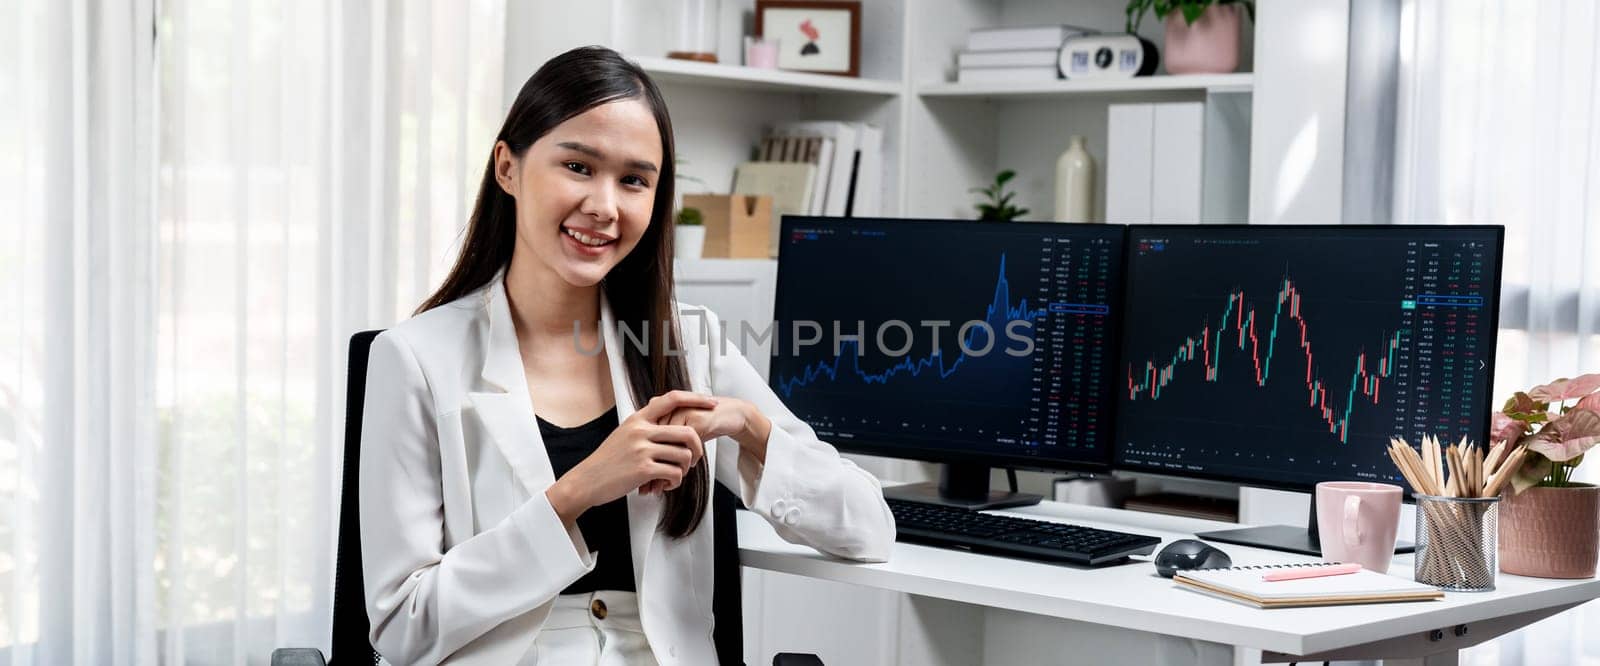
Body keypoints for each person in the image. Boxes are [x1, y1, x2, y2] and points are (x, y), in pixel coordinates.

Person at [357, 45, 895, 665]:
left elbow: (868, 529)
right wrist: (580, 489)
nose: (605, 206)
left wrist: (749, 428)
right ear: (508, 166)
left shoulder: (686, 344)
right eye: (579, 167)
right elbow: (402, 626)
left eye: (634, 180)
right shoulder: (415, 358)